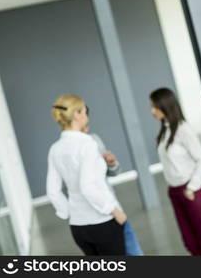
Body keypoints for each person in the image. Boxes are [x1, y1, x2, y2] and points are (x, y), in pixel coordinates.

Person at [46, 94, 126, 255]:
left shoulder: (55, 148)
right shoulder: (87, 144)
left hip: (78, 227)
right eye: (83, 110)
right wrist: (115, 211)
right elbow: (87, 186)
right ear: (76, 114)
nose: (86, 114)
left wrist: (67, 212)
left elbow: (53, 191)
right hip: (103, 224)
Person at [149, 88, 201, 256]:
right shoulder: (164, 131)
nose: (152, 111)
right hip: (174, 192)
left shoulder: (183, 130)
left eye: (154, 106)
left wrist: (192, 187)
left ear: (164, 106)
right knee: (189, 241)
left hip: (190, 192)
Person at [82, 117, 144, 256]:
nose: (87, 127)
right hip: (96, 218)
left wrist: (111, 163)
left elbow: (113, 171)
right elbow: (82, 188)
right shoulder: (67, 150)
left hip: (114, 210)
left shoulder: (94, 139)